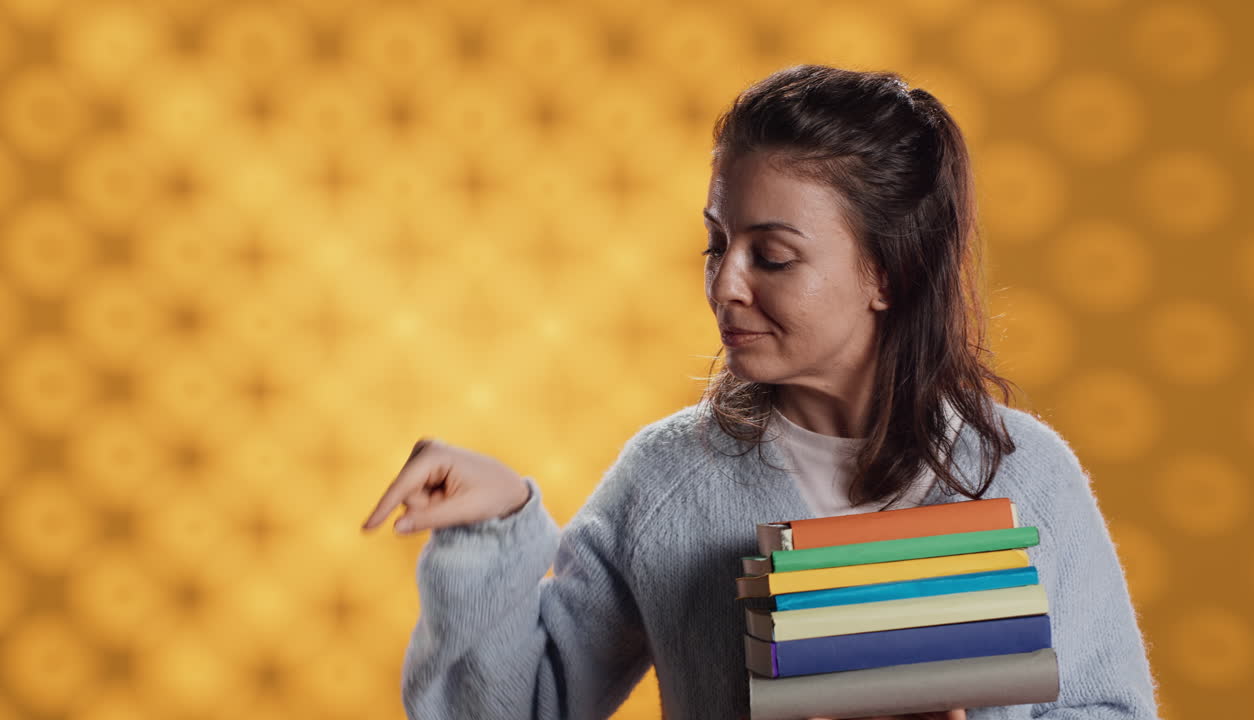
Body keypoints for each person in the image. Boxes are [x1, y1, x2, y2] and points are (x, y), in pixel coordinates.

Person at [362, 65, 1161, 720]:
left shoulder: (1028, 475)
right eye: (717, 242)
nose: (725, 285)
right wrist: (494, 530)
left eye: (771, 256)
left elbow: (1111, 710)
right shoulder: (668, 480)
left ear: (888, 272)